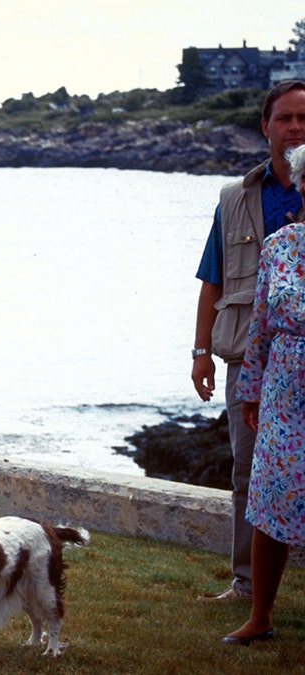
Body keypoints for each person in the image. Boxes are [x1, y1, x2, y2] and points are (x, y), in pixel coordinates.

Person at [192, 79, 305, 603]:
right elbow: (211, 277)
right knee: (249, 474)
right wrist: (200, 353)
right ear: (265, 127)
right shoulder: (235, 198)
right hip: (252, 360)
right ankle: (247, 585)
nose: (296, 128)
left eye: (304, 119)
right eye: (285, 118)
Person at [222, 143, 305, 645]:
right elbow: (261, 327)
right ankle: (261, 615)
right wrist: (249, 391)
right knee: (271, 499)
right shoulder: (281, 246)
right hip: (285, 390)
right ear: (301, 185)